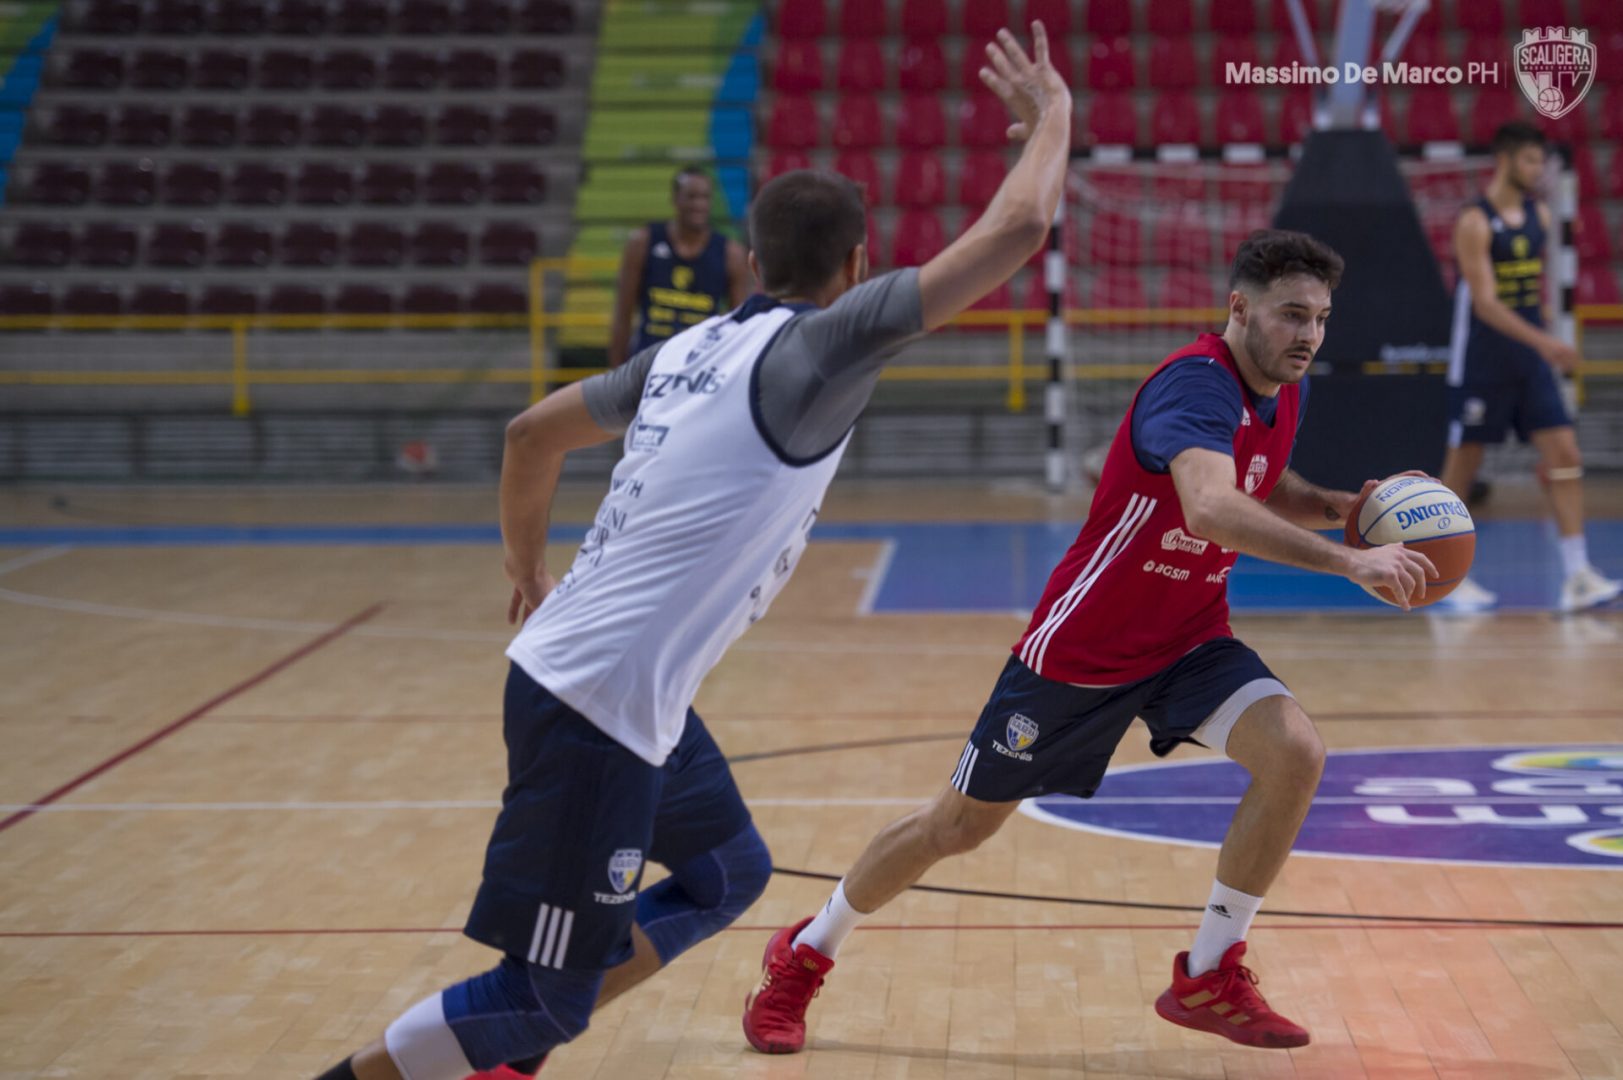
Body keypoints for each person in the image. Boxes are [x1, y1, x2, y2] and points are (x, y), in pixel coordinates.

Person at [312, 22, 1072, 1080]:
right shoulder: (822, 348)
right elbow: (1020, 224)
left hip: (611, 686)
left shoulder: (681, 351)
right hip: (594, 705)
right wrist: (1055, 115)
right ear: (856, 268)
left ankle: (511, 1053)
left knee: (725, 871)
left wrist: (527, 572)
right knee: (537, 996)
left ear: (750, 261)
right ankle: (446, 1054)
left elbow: (529, 436)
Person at [743, 230, 1439, 1055]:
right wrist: (1347, 560)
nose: (1308, 335)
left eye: (1320, 318)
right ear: (1238, 308)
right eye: (1291, 315)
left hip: (1187, 638)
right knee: (955, 827)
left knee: (1294, 752)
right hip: (1081, 650)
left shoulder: (1285, 390)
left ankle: (1208, 973)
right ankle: (804, 952)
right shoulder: (1193, 383)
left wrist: (1334, 505)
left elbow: (1258, 477)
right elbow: (1211, 506)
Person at [1439, 121, 1620, 613]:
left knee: (1565, 454)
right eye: (1531, 160)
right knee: (1462, 471)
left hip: (1528, 361)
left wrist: (1541, 340)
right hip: (1481, 360)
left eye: (1542, 161)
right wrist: (1547, 342)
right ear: (1505, 160)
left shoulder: (1539, 214)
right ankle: (1446, 577)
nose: (1539, 170)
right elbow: (1486, 304)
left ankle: (1577, 574)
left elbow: (1530, 294)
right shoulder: (1475, 221)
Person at [606, 167, 752, 368]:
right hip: (648, 364)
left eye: (705, 197)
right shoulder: (643, 242)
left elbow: (739, 326)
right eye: (691, 197)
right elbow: (623, 315)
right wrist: (617, 373)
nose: (698, 204)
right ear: (675, 199)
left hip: (698, 367)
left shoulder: (731, 253)